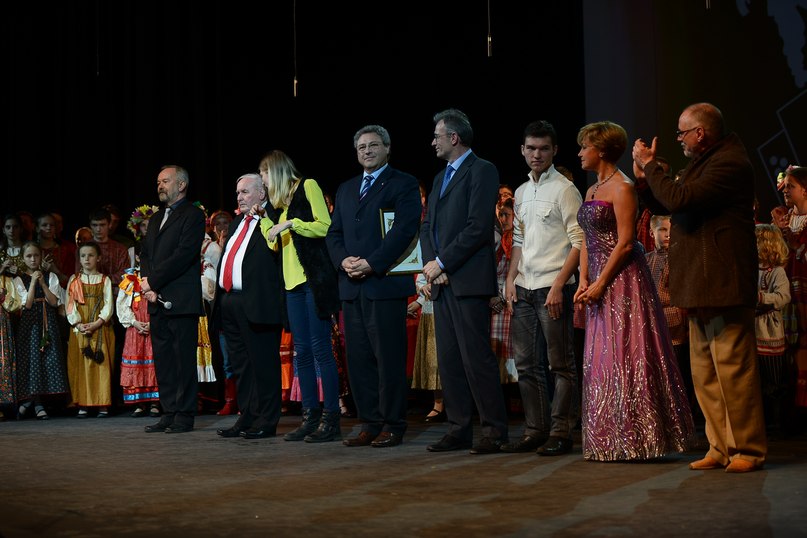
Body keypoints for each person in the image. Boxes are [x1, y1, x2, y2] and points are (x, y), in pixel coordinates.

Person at [632, 102, 765, 472]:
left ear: (700, 133)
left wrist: (651, 166)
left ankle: (747, 449)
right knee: (705, 373)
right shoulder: (703, 163)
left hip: (723, 282)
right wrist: (644, 179)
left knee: (733, 371)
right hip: (700, 283)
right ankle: (719, 446)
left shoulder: (729, 163)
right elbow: (669, 203)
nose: (679, 139)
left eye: (682, 132)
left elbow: (680, 198)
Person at [575, 120, 695, 462]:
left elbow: (626, 242)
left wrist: (601, 282)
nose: (580, 153)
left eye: (585, 146)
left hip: (623, 280)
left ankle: (639, 438)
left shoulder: (623, 187)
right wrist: (584, 278)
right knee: (602, 356)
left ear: (601, 150)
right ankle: (607, 437)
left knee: (627, 351)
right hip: (597, 278)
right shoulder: (592, 189)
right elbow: (586, 238)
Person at [326, 124, 422, 448]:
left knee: (389, 359)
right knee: (359, 360)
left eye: (373, 145)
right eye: (361, 147)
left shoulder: (403, 183)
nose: (367, 151)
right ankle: (369, 422)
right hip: (352, 287)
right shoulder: (346, 188)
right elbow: (334, 233)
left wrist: (372, 263)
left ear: (387, 148)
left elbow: (404, 230)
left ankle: (393, 424)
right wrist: (343, 261)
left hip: (384, 284)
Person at [420, 108, 509, 454]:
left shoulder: (482, 170)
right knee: (449, 360)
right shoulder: (440, 177)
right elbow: (427, 226)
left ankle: (494, 431)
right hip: (442, 281)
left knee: (476, 358)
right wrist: (432, 265)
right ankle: (458, 429)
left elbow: (476, 227)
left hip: (468, 281)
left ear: (454, 137)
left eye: (437, 136)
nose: (433, 142)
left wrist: (442, 262)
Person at [500, 120, 582, 455]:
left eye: (544, 148)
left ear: (554, 151)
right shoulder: (520, 192)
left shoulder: (565, 189)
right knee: (526, 365)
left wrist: (559, 285)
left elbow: (579, 242)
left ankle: (561, 432)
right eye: (531, 148)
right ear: (522, 150)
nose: (537, 154)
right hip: (524, 288)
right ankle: (536, 430)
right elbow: (518, 241)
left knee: (560, 364)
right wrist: (510, 279)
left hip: (552, 286)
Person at [258, 150, 342, 443]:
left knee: (321, 350)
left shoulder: (308, 186)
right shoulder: (279, 207)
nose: (264, 182)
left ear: (276, 171)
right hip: (292, 286)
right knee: (302, 353)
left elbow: (325, 226)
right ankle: (310, 417)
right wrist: (265, 219)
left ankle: (331, 418)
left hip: (313, 282)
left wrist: (293, 224)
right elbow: (273, 244)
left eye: (264, 176)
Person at [209, 174, 284, 439]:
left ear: (262, 194)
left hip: (258, 303)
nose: (239, 197)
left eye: (245, 192)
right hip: (230, 302)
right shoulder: (237, 222)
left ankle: (267, 420)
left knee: (264, 365)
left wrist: (265, 216)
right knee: (241, 365)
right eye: (237, 192)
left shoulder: (273, 218)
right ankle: (248, 417)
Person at [139, 164, 206, 434]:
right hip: (156, 299)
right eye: (158, 182)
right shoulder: (156, 218)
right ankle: (169, 411)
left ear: (181, 185)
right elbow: (146, 254)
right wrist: (147, 284)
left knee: (182, 361)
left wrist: (153, 282)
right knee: (164, 360)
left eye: (165, 181)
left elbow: (183, 255)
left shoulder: (193, 215)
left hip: (180, 299)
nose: (160, 186)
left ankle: (185, 414)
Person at [645, 214, 696, 419]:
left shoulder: (679, 258)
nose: (667, 235)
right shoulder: (647, 259)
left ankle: (683, 415)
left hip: (675, 325)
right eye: (662, 230)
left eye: (670, 230)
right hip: (652, 324)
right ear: (652, 233)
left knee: (679, 372)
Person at [14, 241, 69, 419]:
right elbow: (28, 304)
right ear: (23, 258)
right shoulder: (19, 279)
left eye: (36, 255)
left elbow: (53, 302)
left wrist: (43, 283)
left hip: (47, 322)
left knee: (48, 359)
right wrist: (32, 282)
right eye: (29, 256)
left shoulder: (50, 276)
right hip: (30, 325)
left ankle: (36, 402)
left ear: (41, 256)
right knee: (32, 361)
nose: (33, 259)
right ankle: (35, 402)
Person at [117, 205, 161, 418]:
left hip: (153, 325)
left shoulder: (157, 277)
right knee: (137, 362)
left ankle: (155, 402)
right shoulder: (130, 279)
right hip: (135, 328)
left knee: (154, 363)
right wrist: (134, 322)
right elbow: (122, 304)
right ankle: (139, 402)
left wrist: (153, 322)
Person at [65, 241, 115, 418]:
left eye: (91, 255)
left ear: (98, 258)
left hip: (99, 327)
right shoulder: (74, 280)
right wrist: (78, 324)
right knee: (81, 365)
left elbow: (109, 304)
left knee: (100, 365)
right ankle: (83, 403)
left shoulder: (104, 280)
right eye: (83, 256)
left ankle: (102, 403)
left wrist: (97, 323)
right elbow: (70, 304)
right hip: (80, 328)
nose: (87, 259)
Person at [754, 223, 792, 432]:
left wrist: (762, 298)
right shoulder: (751, 270)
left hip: (769, 332)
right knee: (757, 381)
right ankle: (762, 422)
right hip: (753, 331)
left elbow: (783, 296)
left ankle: (777, 423)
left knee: (773, 381)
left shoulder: (777, 272)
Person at [0, 262, 21, 420]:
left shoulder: (6, 280)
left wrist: (3, 297)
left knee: (3, 360)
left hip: (2, 323)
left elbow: (15, 303)